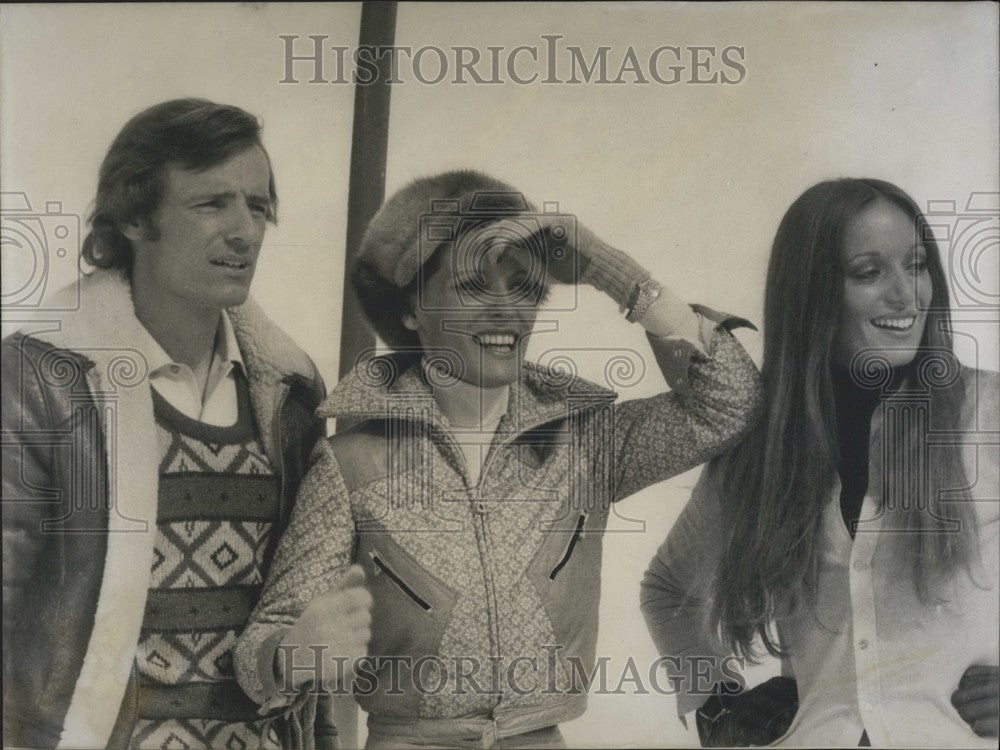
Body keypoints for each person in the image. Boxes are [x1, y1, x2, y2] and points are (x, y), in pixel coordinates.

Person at [234, 169, 763, 749]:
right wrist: (290, 653)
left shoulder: (586, 443)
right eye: (474, 287)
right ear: (412, 310)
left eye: (523, 287)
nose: (508, 313)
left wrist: (611, 270)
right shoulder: (350, 465)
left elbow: (728, 405)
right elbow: (261, 645)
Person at [1, 99, 342, 749]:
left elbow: (302, 623)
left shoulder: (291, 395)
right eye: (212, 204)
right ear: (133, 216)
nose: (245, 231)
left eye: (258, 206)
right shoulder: (37, 382)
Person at [640, 178, 999, 747]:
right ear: (811, 295)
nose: (908, 296)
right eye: (868, 272)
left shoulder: (989, 412)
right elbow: (667, 589)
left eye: (917, 265)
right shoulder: (760, 447)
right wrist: (713, 701)